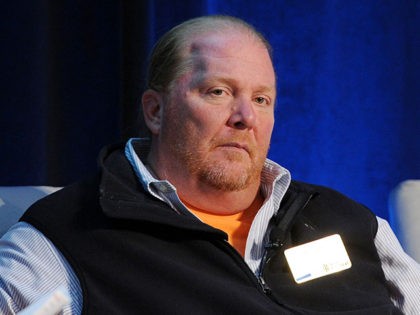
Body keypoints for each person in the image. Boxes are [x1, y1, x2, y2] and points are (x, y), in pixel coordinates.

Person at [0, 15, 419, 315]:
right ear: (156, 111)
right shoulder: (67, 237)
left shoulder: (351, 223)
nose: (245, 117)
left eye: (261, 99)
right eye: (218, 92)